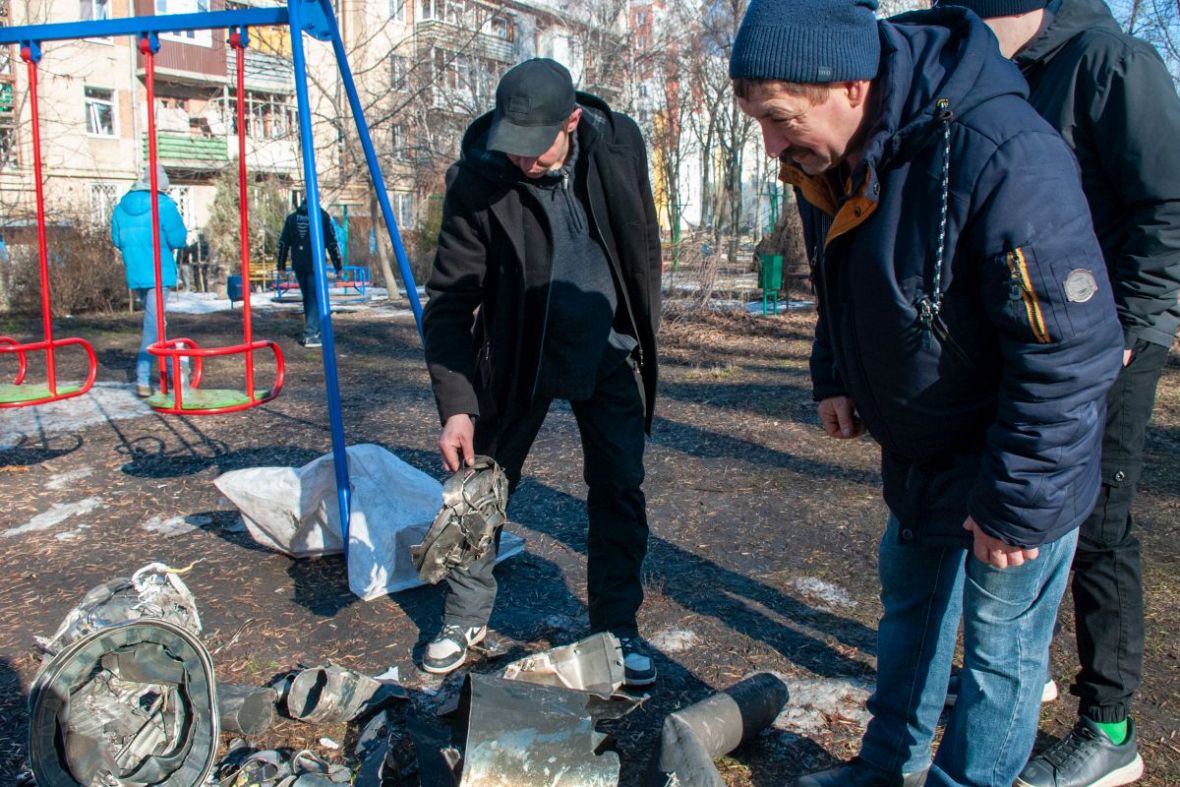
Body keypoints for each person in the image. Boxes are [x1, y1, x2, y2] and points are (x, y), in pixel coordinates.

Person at [729, 0, 1126, 783]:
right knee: (909, 618)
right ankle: (885, 767)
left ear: (849, 86)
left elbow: (1072, 347)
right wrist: (835, 371)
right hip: (922, 447)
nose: (771, 144)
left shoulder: (1002, 150)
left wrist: (1016, 496)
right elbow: (843, 279)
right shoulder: (830, 156)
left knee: (1000, 655)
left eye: (778, 118)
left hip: (1016, 453)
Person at [933, 1, 1180, 784]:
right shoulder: (1005, 70)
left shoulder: (1111, 63)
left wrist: (1134, 323)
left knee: (1101, 520)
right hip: (1029, 334)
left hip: (1110, 340)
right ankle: (1018, 672)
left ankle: (1109, 727)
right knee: (1009, 503)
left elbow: (1167, 203)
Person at [421, 58, 661, 686]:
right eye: (513, 145)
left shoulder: (618, 144)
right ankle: (463, 619)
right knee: (479, 484)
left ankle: (616, 629)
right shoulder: (478, 180)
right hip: (519, 353)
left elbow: (640, 235)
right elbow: (450, 299)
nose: (522, 160)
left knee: (618, 490)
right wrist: (456, 406)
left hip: (607, 346)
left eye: (536, 147)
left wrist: (641, 324)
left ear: (572, 122)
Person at [111, 164, 188, 398]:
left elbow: (117, 239)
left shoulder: (121, 207)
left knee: (157, 323)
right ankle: (144, 378)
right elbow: (179, 238)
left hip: (136, 271)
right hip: (158, 271)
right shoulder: (163, 205)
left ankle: (174, 373)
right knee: (152, 327)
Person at [277, 200, 342, 348]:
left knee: (309, 297)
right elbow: (332, 242)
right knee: (315, 297)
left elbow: (283, 243)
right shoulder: (322, 218)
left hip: (299, 263)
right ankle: (310, 333)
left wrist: (281, 265)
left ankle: (315, 329)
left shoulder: (292, 218)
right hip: (316, 263)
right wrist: (338, 265)